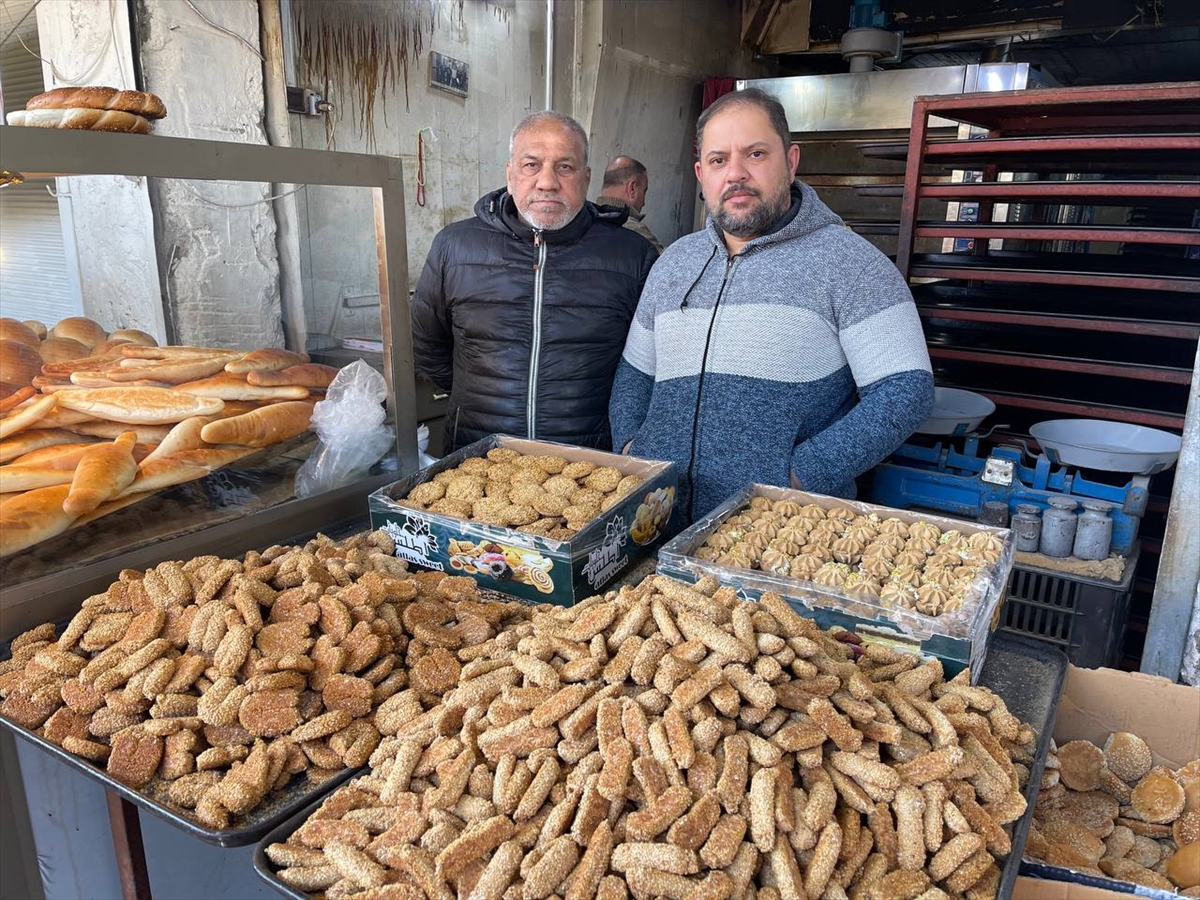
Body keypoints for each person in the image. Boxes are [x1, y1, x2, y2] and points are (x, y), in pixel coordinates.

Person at [609, 88, 934, 523]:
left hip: (776, 534)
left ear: (791, 160)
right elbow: (635, 372)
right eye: (719, 160)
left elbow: (905, 390)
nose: (736, 174)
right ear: (701, 174)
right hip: (657, 522)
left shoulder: (851, 263)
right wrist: (633, 452)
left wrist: (796, 477)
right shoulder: (674, 263)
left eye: (756, 154)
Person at [412, 111, 658, 452]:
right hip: (477, 456)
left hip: (588, 464)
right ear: (510, 174)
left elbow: (647, 366)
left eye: (565, 167)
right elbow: (426, 346)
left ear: (586, 179)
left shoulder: (631, 257)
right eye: (531, 165)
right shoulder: (455, 247)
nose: (547, 182)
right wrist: (480, 397)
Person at [594, 156, 665, 254]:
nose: (644, 203)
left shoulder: (584, 221)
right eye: (644, 191)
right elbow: (668, 265)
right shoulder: (634, 232)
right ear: (632, 189)